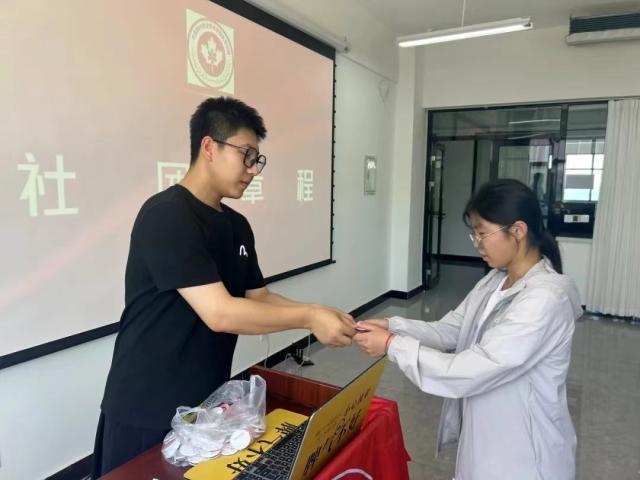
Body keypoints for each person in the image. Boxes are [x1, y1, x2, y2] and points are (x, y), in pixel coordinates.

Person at [93, 97, 355, 477]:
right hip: (146, 404)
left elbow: (259, 297)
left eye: (257, 160)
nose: (252, 170)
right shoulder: (167, 215)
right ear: (209, 147)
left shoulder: (236, 226)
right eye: (246, 155)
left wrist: (320, 312)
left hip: (206, 403)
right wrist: (310, 317)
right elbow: (219, 312)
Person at [354, 179, 581, 480]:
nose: (477, 243)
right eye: (474, 233)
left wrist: (392, 345)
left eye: (482, 233)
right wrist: (392, 325)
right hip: (487, 437)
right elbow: (452, 329)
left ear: (518, 230)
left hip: (525, 453)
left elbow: (471, 369)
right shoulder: (495, 280)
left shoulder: (545, 299)